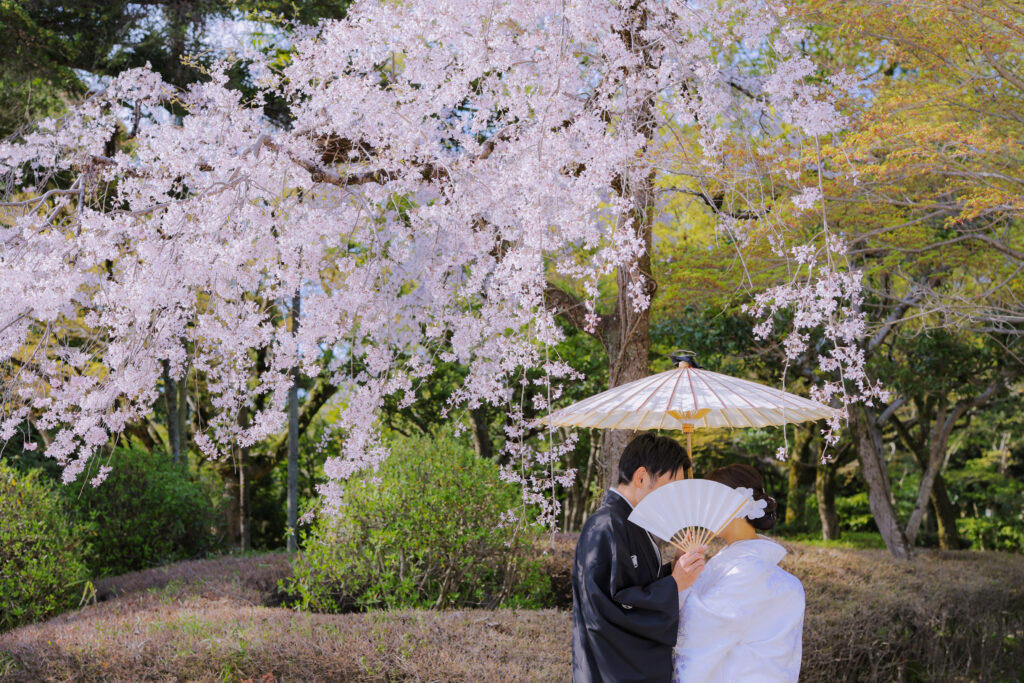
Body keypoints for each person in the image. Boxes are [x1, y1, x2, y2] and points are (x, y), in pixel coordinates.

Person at [572, 433, 707, 682]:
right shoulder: (606, 525)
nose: (676, 496)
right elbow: (610, 608)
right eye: (672, 485)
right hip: (614, 669)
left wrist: (674, 571)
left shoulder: (632, 522)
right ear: (642, 477)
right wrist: (674, 584)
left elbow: (636, 586)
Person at [672, 463, 805, 682]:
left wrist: (679, 584)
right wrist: (682, 566)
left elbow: (697, 631)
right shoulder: (737, 562)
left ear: (733, 507)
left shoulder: (748, 572)